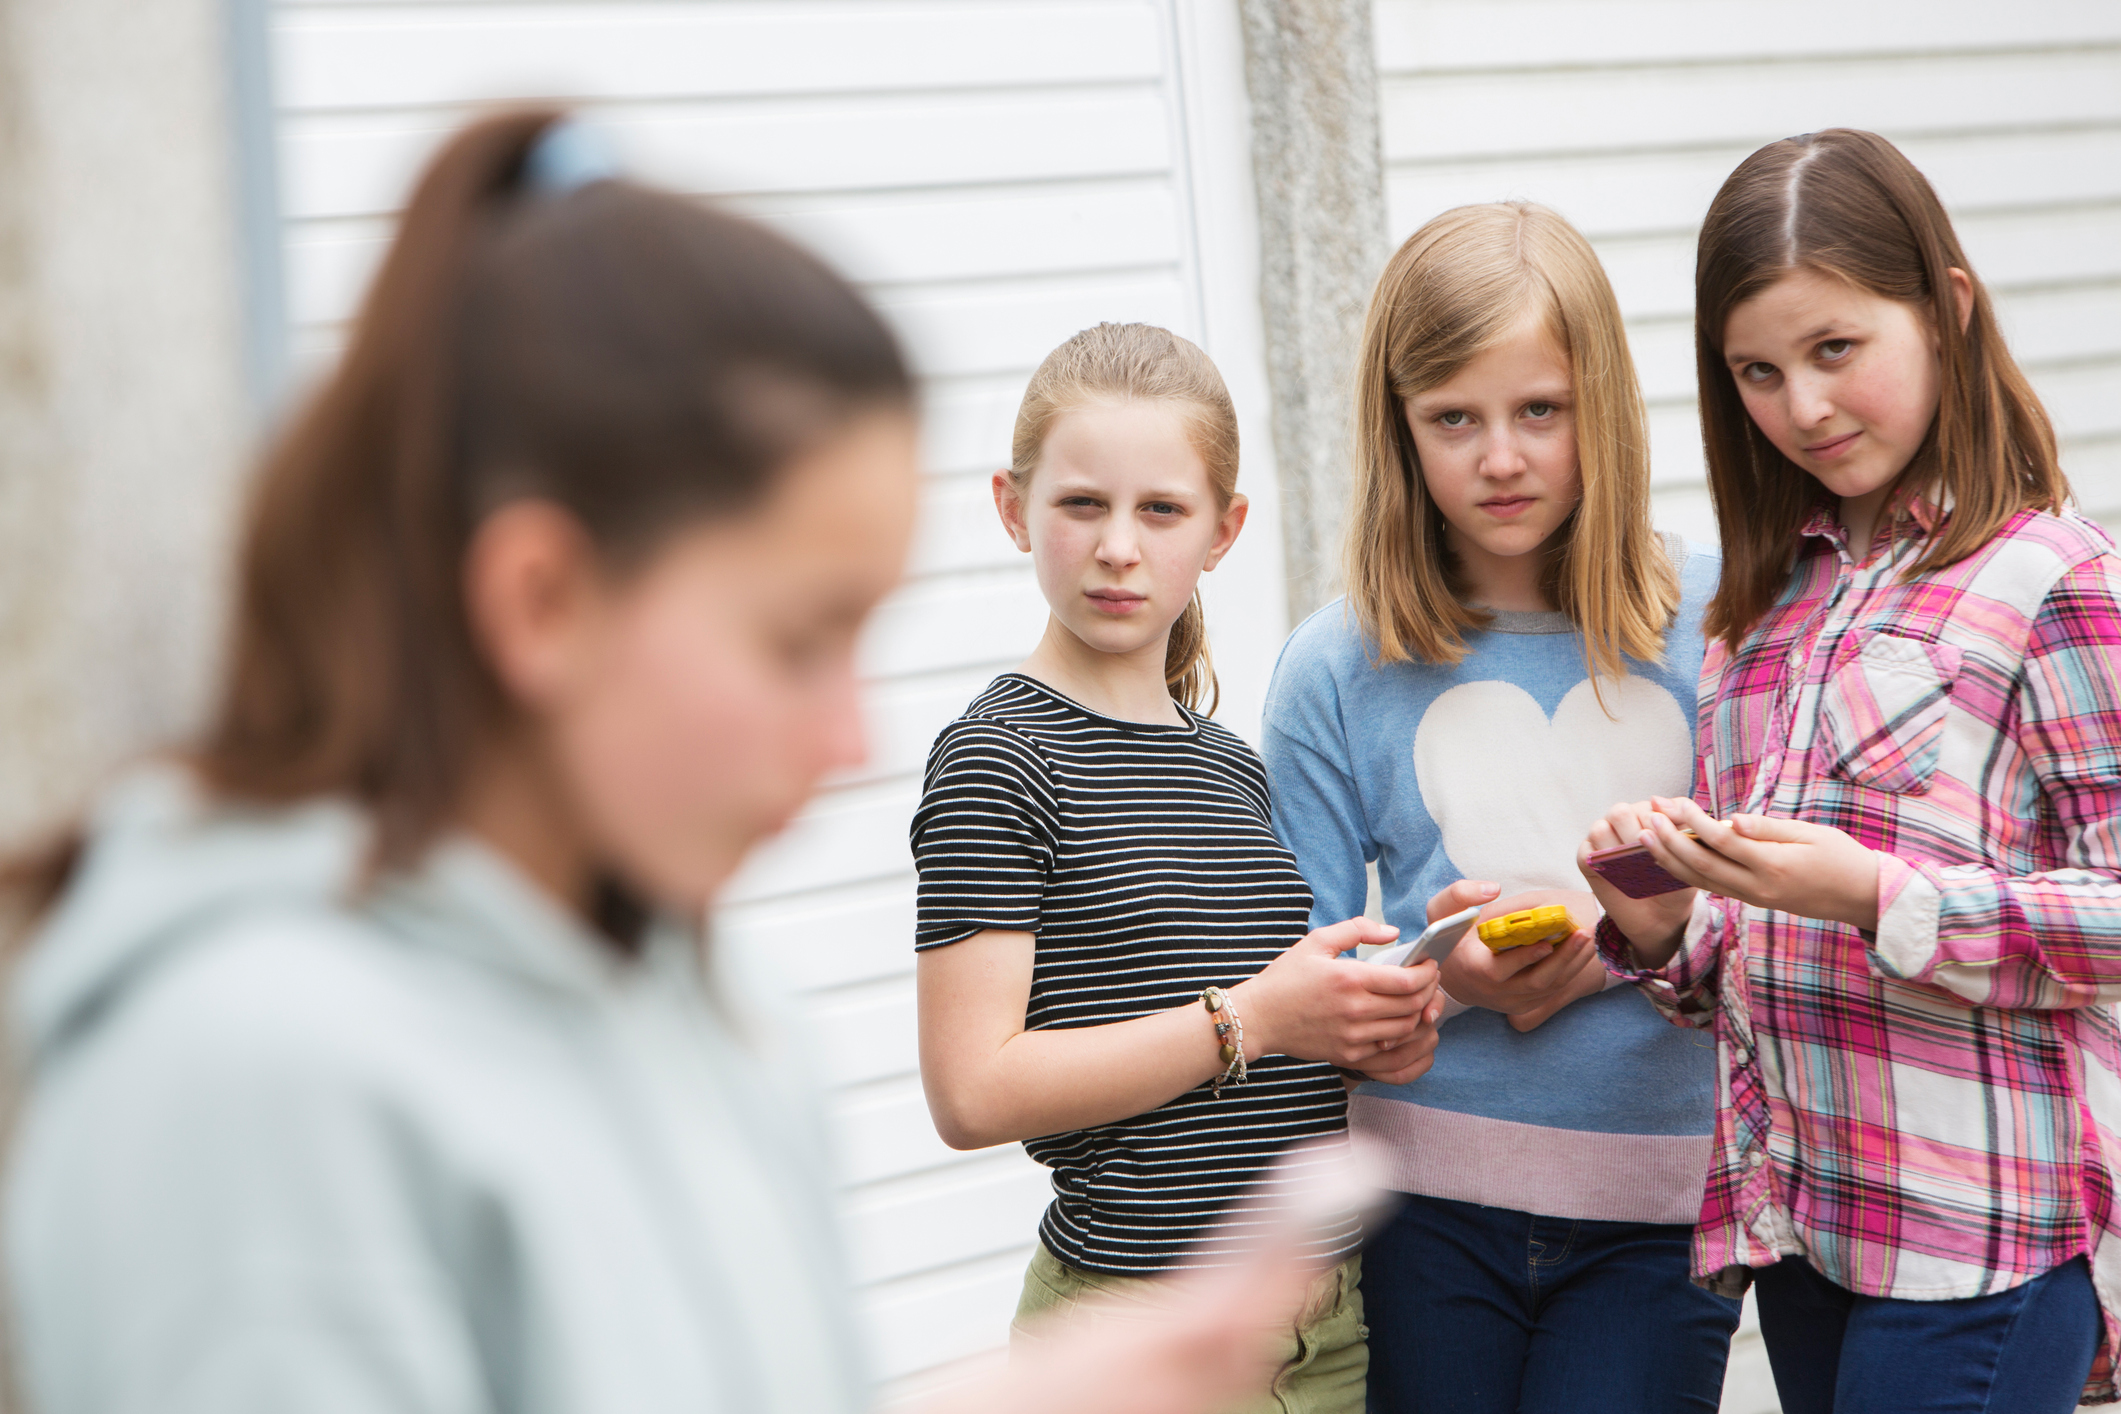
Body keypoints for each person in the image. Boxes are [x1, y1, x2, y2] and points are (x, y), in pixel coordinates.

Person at [1, 110, 1334, 1414]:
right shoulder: (245, 1085)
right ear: (543, 602)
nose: (853, 739)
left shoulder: (710, 1007)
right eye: (796, 640)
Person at [1583, 128, 2121, 1413]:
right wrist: (1662, 923)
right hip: (1807, 1239)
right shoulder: (1758, 616)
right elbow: (1748, 962)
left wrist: (1880, 892)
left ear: (1947, 309)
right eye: (1757, 372)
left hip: (1979, 1243)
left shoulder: (2055, 580)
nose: (1802, 408)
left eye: (1836, 350)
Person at [910, 322, 1445, 1414]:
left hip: (1326, 1327)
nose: (1120, 545)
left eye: (1161, 509)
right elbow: (971, 1091)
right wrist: (1253, 1015)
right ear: (1014, 509)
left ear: (1222, 529)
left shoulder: (1232, 768)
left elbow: (1250, 1062)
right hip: (1138, 1333)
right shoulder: (996, 760)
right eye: (1081, 505)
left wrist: (1373, 1019)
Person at [1260, 201, 1739, 1412]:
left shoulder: (1723, 620)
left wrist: (1632, 934)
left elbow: (1783, 901)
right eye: (1453, 419)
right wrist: (1439, 976)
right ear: (1399, 429)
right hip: (1421, 1210)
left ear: (1605, 409)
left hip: (1661, 1212)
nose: (1502, 457)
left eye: (1540, 410)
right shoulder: (1331, 667)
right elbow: (1301, 975)